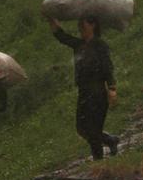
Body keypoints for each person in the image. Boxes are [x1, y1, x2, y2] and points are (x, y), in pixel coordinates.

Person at [46, 14, 119, 160]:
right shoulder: (79, 45)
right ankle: (110, 140)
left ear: (93, 25)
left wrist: (112, 88)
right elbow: (62, 37)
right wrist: (52, 20)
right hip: (84, 92)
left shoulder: (100, 45)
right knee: (81, 128)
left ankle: (98, 161)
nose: (80, 26)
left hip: (98, 92)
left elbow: (107, 67)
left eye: (83, 24)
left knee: (93, 129)